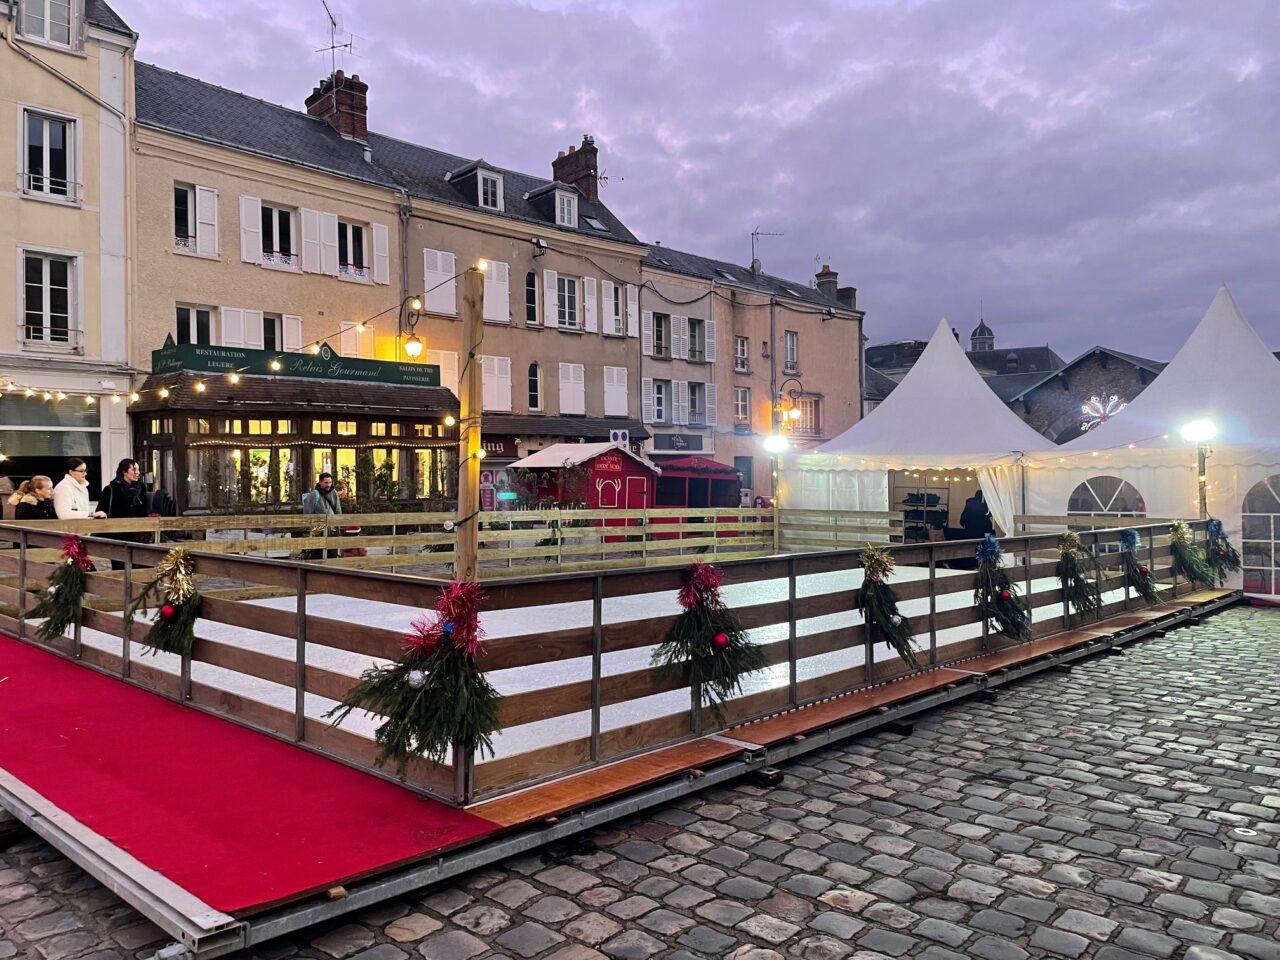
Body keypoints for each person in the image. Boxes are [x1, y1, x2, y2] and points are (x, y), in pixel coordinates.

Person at [97, 459, 148, 569]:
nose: (137, 472)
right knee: (120, 568)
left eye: (138, 470)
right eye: (134, 469)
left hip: (137, 535)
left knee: (139, 569)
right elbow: (102, 511)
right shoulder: (111, 489)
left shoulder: (141, 488)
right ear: (124, 471)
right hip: (117, 536)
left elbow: (145, 510)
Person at [301, 472, 341, 560]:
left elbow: (338, 510)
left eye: (330, 482)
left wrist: (338, 527)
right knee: (317, 555)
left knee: (332, 555)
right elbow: (307, 513)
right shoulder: (314, 495)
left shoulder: (334, 493)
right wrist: (308, 531)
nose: (328, 485)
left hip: (332, 530)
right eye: (326, 482)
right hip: (318, 531)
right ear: (320, 482)